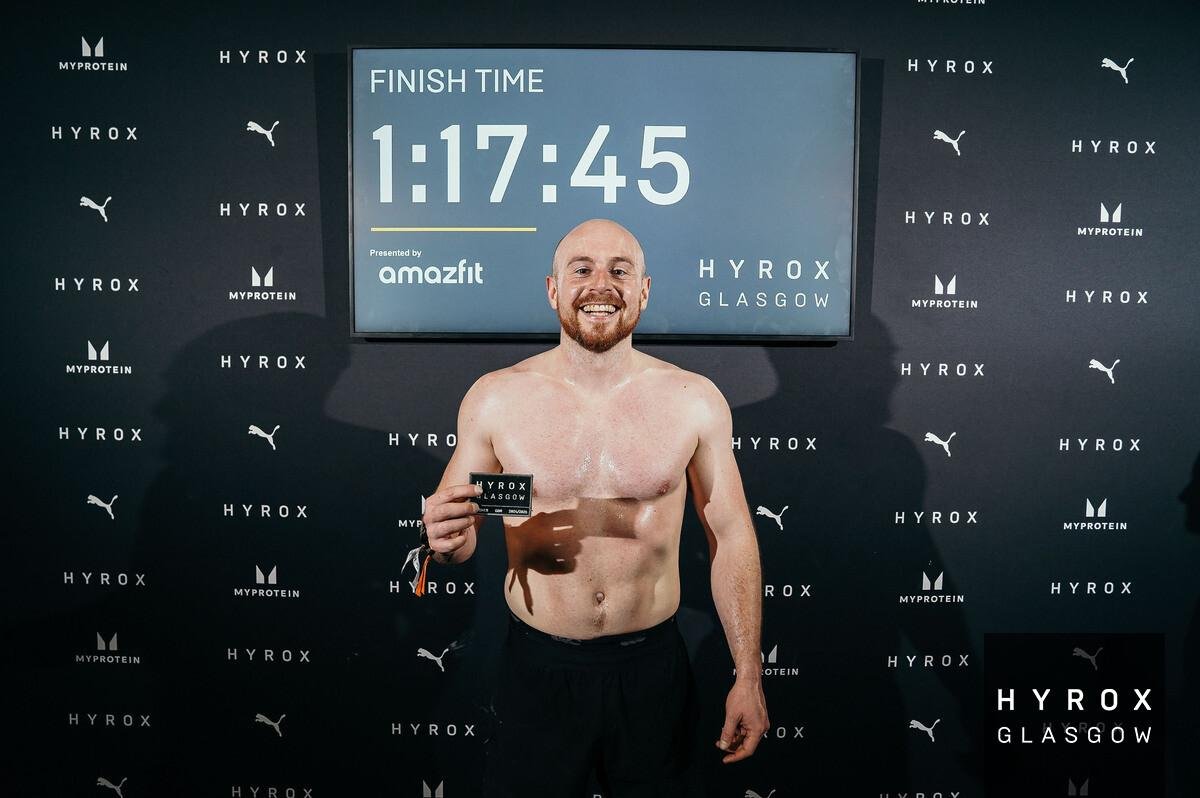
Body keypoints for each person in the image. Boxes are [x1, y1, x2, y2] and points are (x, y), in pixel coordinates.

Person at [421, 218, 769, 797]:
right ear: (554, 289)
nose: (600, 285)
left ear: (645, 290)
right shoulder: (495, 398)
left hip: (652, 670)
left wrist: (749, 673)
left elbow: (731, 535)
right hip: (538, 671)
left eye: (619, 270)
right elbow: (459, 534)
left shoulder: (695, 401)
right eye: (581, 270)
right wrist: (447, 539)